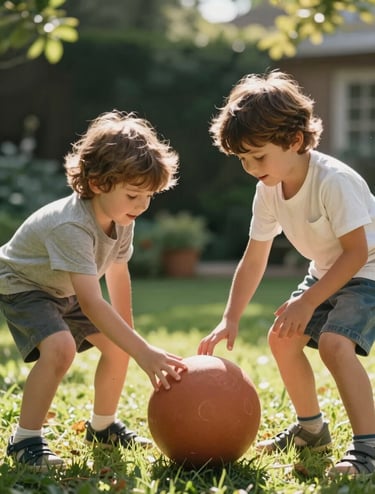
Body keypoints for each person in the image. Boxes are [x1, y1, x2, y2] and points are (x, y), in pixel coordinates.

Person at [198, 71, 375, 476]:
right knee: (282, 339)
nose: (249, 167)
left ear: (294, 140)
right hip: (330, 269)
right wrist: (230, 317)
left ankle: (368, 448)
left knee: (334, 344)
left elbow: (356, 253)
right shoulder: (269, 187)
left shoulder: (334, 181)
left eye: (257, 156)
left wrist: (309, 299)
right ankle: (311, 429)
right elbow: (254, 256)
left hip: (368, 268)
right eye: (242, 159)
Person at [0, 110, 186, 471]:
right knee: (59, 349)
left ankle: (102, 427)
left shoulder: (122, 216)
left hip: (62, 286)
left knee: (117, 347)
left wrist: (130, 340)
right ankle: (25, 441)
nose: (142, 205)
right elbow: (90, 300)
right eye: (134, 194)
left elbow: (118, 274)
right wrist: (143, 352)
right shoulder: (72, 225)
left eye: (148, 196)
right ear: (99, 183)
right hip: (24, 284)